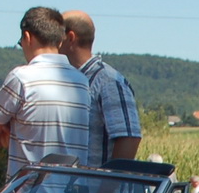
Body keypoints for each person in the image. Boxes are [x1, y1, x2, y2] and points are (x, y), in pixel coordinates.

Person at [0, 7, 92, 183]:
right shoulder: (82, 83)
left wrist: (8, 134)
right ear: (60, 41)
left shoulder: (21, 78)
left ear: (28, 37)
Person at [59, 10, 142, 166]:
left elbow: (129, 138)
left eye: (57, 37)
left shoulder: (108, 82)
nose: (53, 42)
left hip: (97, 188)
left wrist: (107, 188)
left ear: (70, 38)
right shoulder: (70, 80)